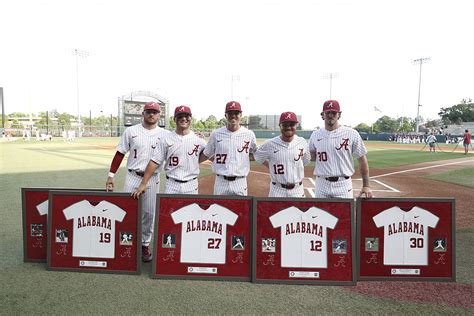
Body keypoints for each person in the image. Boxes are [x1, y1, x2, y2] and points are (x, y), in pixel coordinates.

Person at [106, 101, 169, 262]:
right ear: (143, 113)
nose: (151, 114)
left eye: (154, 112)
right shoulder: (131, 131)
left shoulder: (165, 134)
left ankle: (144, 245)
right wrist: (111, 175)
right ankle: (126, 244)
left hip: (153, 179)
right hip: (133, 176)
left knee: (149, 214)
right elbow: (120, 153)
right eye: (148, 111)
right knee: (128, 212)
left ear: (159, 115)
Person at [131, 105, 206, 197]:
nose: (183, 119)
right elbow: (154, 162)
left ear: (191, 118)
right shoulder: (166, 139)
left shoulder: (199, 140)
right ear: (174, 119)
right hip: (171, 184)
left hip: (191, 184)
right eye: (180, 116)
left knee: (190, 210)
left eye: (186, 116)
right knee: (168, 211)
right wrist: (143, 183)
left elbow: (209, 155)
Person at [308, 100, 372, 199]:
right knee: (319, 214)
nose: (330, 115)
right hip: (321, 184)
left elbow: (362, 160)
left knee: (345, 214)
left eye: (333, 112)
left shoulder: (351, 133)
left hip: (343, 184)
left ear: (339, 114)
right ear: (322, 115)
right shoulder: (315, 134)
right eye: (327, 112)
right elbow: (311, 157)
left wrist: (366, 186)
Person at [200, 101, 257, 196]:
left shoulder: (249, 134)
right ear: (225, 115)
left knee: (240, 210)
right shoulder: (216, 134)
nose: (233, 116)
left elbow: (255, 154)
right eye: (230, 113)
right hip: (221, 181)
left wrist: (241, 156)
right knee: (218, 209)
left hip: (240, 181)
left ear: (241, 115)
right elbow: (207, 153)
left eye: (236, 113)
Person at [254, 111, 310, 197]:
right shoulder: (270, 144)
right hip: (277, 190)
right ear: (279, 126)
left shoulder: (302, 142)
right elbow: (258, 157)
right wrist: (271, 166)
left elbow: (305, 161)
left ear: (296, 125)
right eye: (285, 125)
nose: (288, 127)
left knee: (298, 211)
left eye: (291, 124)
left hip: (297, 190)